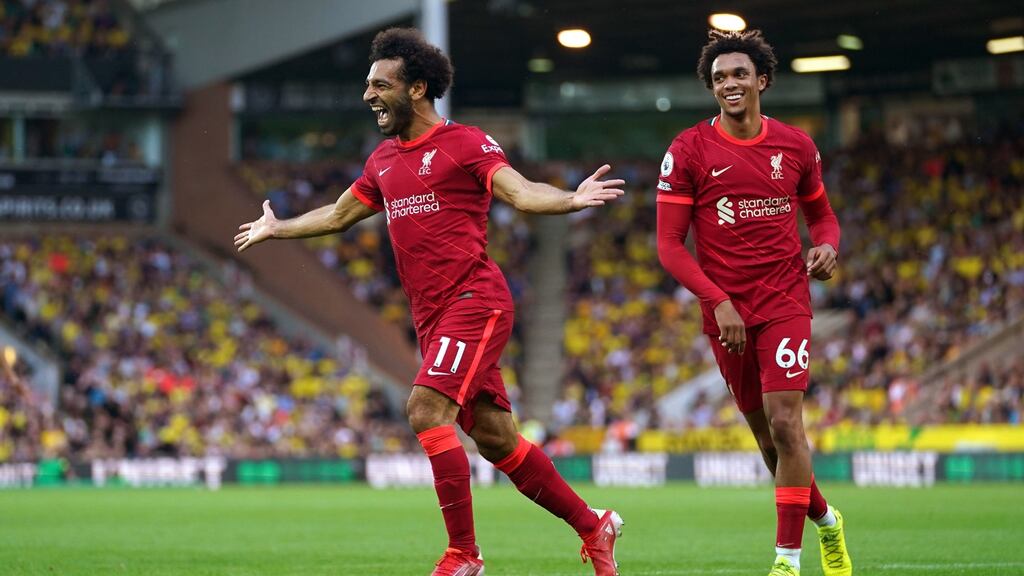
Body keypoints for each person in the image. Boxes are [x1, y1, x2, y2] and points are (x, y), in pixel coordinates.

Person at [235, 28, 625, 576]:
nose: (368, 95)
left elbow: (517, 190)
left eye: (380, 84)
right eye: (367, 84)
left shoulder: (465, 142)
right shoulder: (383, 161)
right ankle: (593, 524)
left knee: (424, 408)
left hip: (477, 300)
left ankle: (464, 554)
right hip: (433, 317)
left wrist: (569, 198)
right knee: (495, 440)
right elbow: (340, 214)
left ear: (417, 88)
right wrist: (279, 229)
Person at [655, 30, 853, 576]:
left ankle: (786, 562)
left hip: (786, 300)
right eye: (719, 78)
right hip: (726, 312)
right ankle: (828, 521)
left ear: (761, 80)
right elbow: (669, 246)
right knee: (769, 444)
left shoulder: (795, 146)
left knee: (788, 426)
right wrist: (718, 301)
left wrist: (829, 246)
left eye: (738, 74)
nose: (729, 84)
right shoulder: (688, 150)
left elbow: (823, 217)